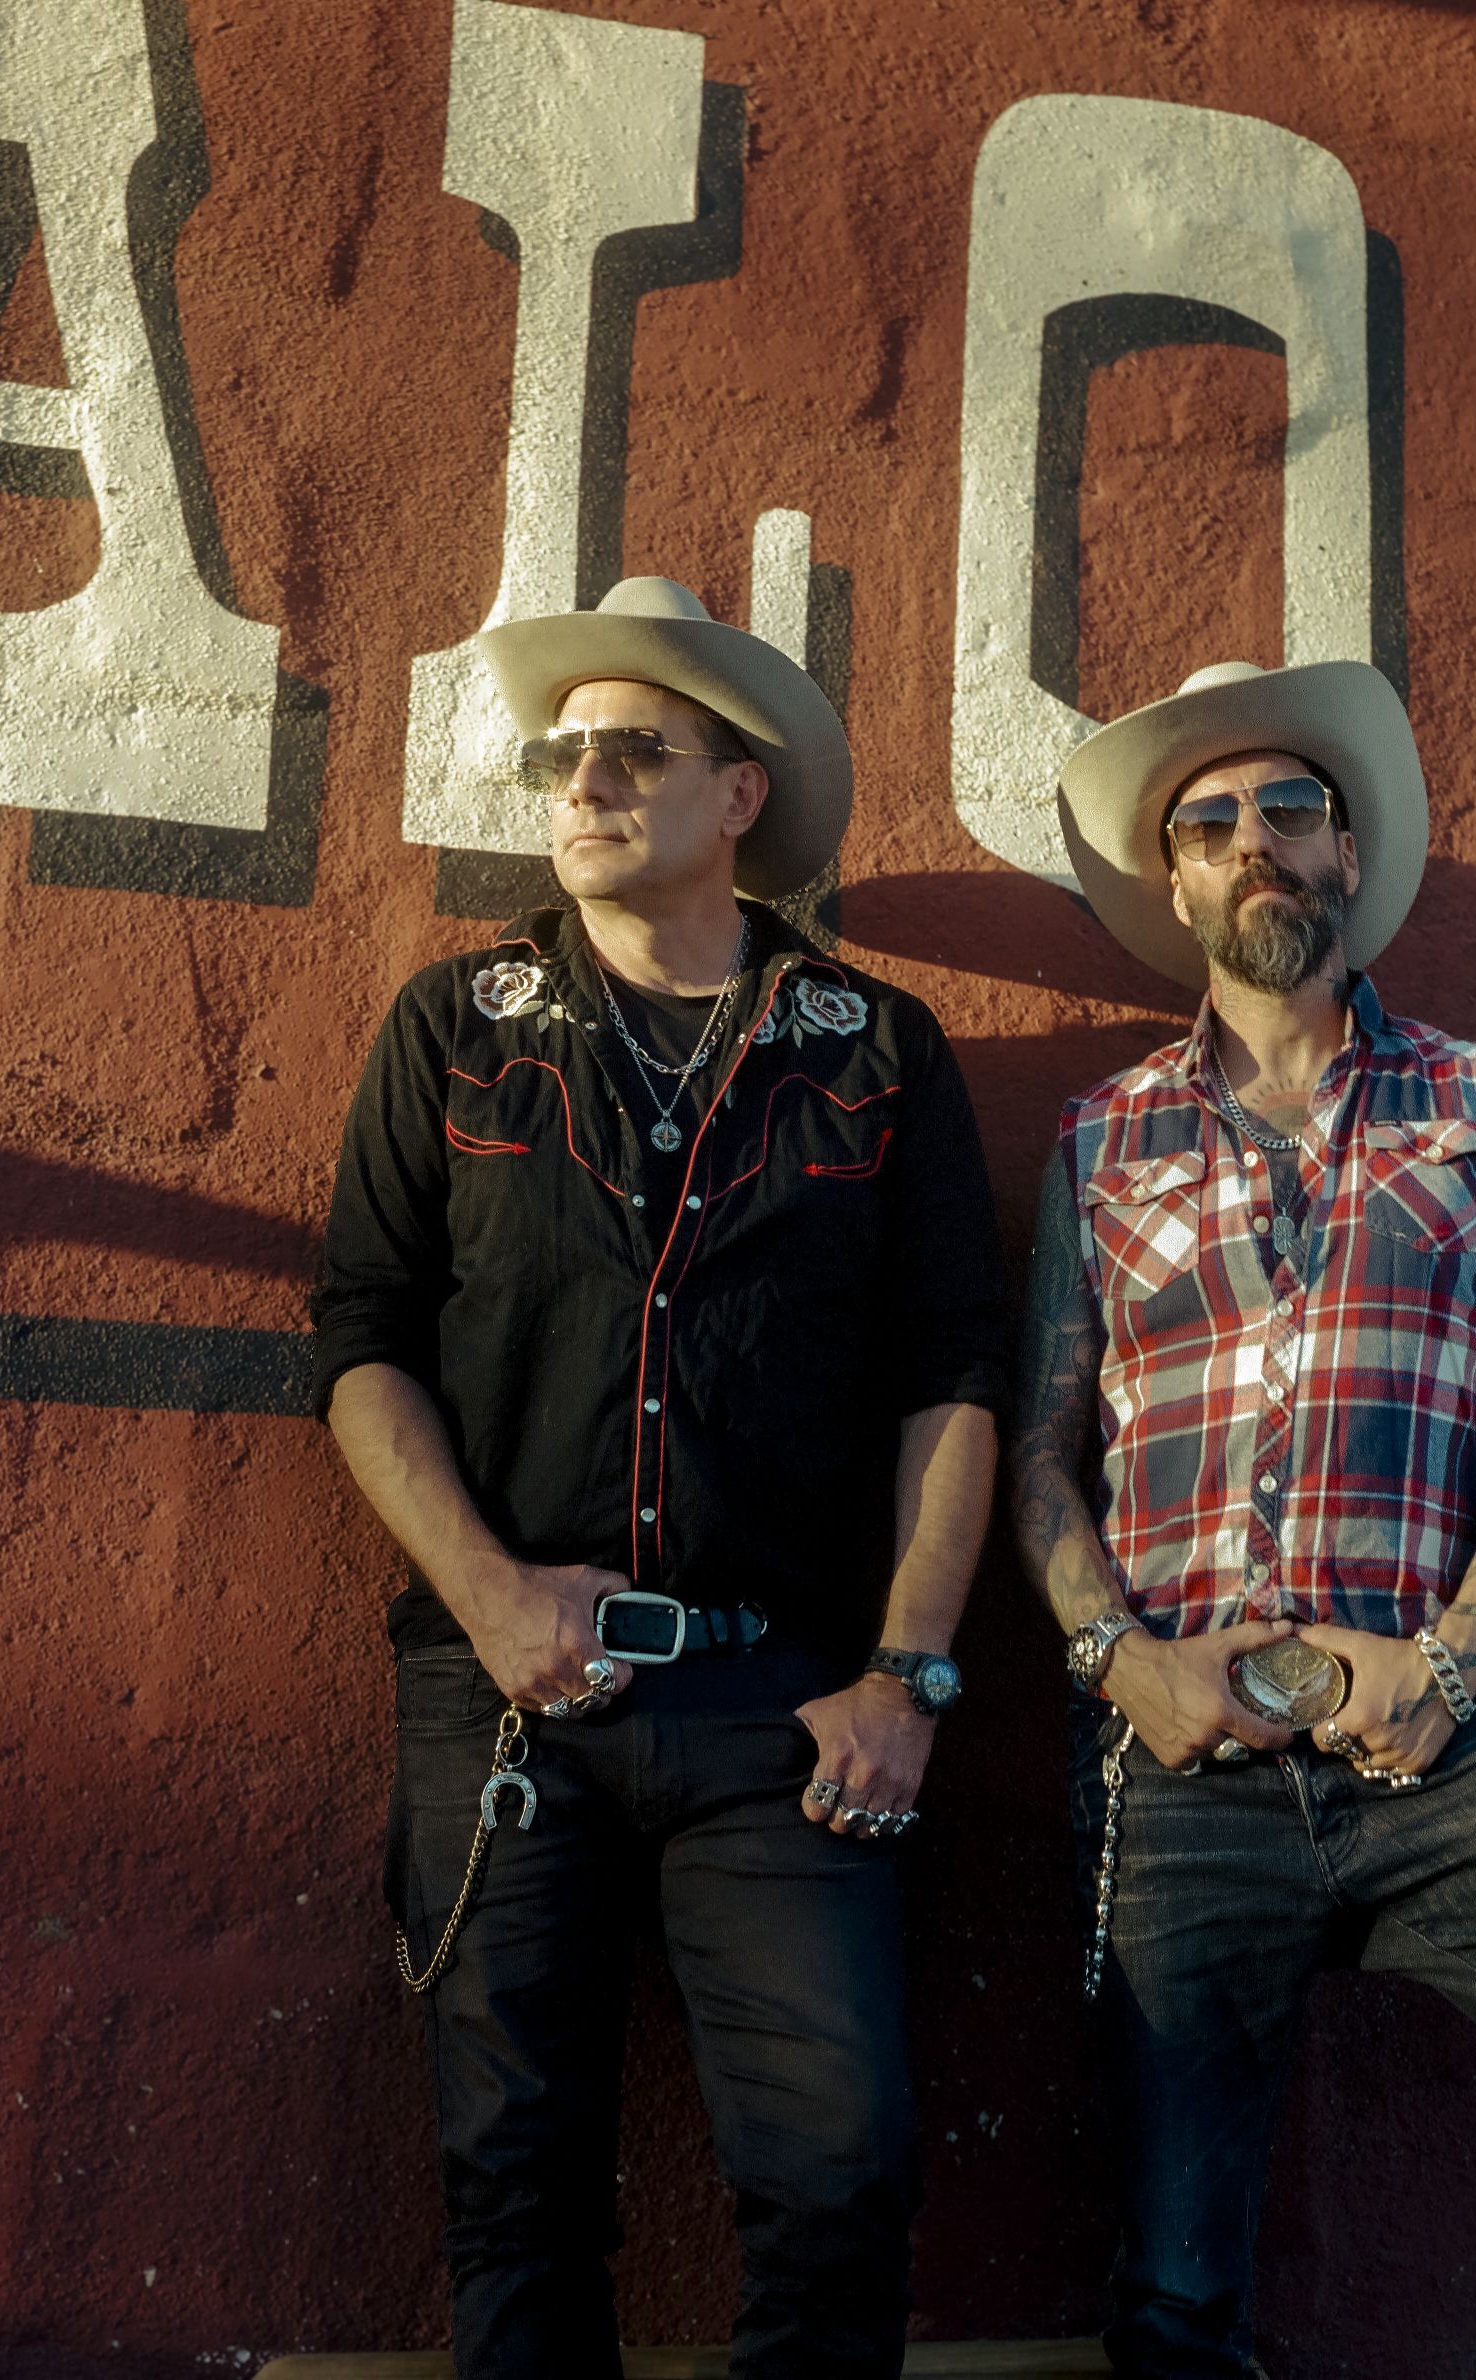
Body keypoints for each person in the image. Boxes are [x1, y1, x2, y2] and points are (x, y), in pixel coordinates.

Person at [1010, 657, 1476, 2379]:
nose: (1254, 842)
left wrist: (1449, 1662)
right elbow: (1042, 1452)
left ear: (1347, 852)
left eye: (1291, 808)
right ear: (1176, 884)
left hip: (1429, 1740)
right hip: (1180, 1757)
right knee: (1173, 2299)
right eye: (1209, 823)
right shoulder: (1096, 1137)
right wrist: (1121, 1664)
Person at [311, 575, 1006, 2379]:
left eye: (636, 749)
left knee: (840, 2173)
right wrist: (488, 1598)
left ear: (740, 793)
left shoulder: (878, 1049)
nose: (586, 781)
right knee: (513, 2185)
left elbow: (952, 1376)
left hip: (785, 1706)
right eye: (563, 754)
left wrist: (910, 1675)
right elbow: (362, 1340)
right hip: (505, 1695)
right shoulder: (455, 1025)